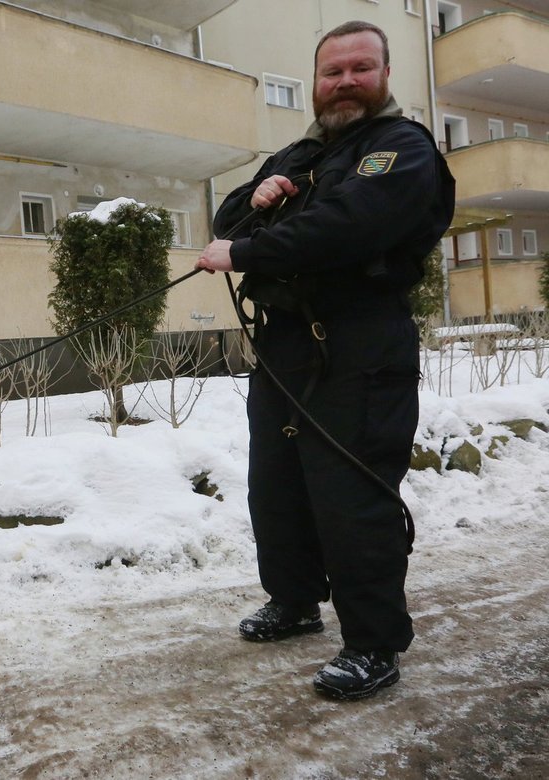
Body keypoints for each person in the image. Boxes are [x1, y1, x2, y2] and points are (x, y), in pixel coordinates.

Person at [195, 20, 455, 700]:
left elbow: (350, 225)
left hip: (361, 343)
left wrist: (249, 252)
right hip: (285, 344)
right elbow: (227, 218)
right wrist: (255, 201)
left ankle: (373, 644)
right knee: (276, 485)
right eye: (332, 71)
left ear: (384, 75)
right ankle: (295, 601)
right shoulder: (297, 151)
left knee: (351, 497)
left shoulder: (400, 147)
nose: (344, 81)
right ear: (315, 82)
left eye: (359, 68)